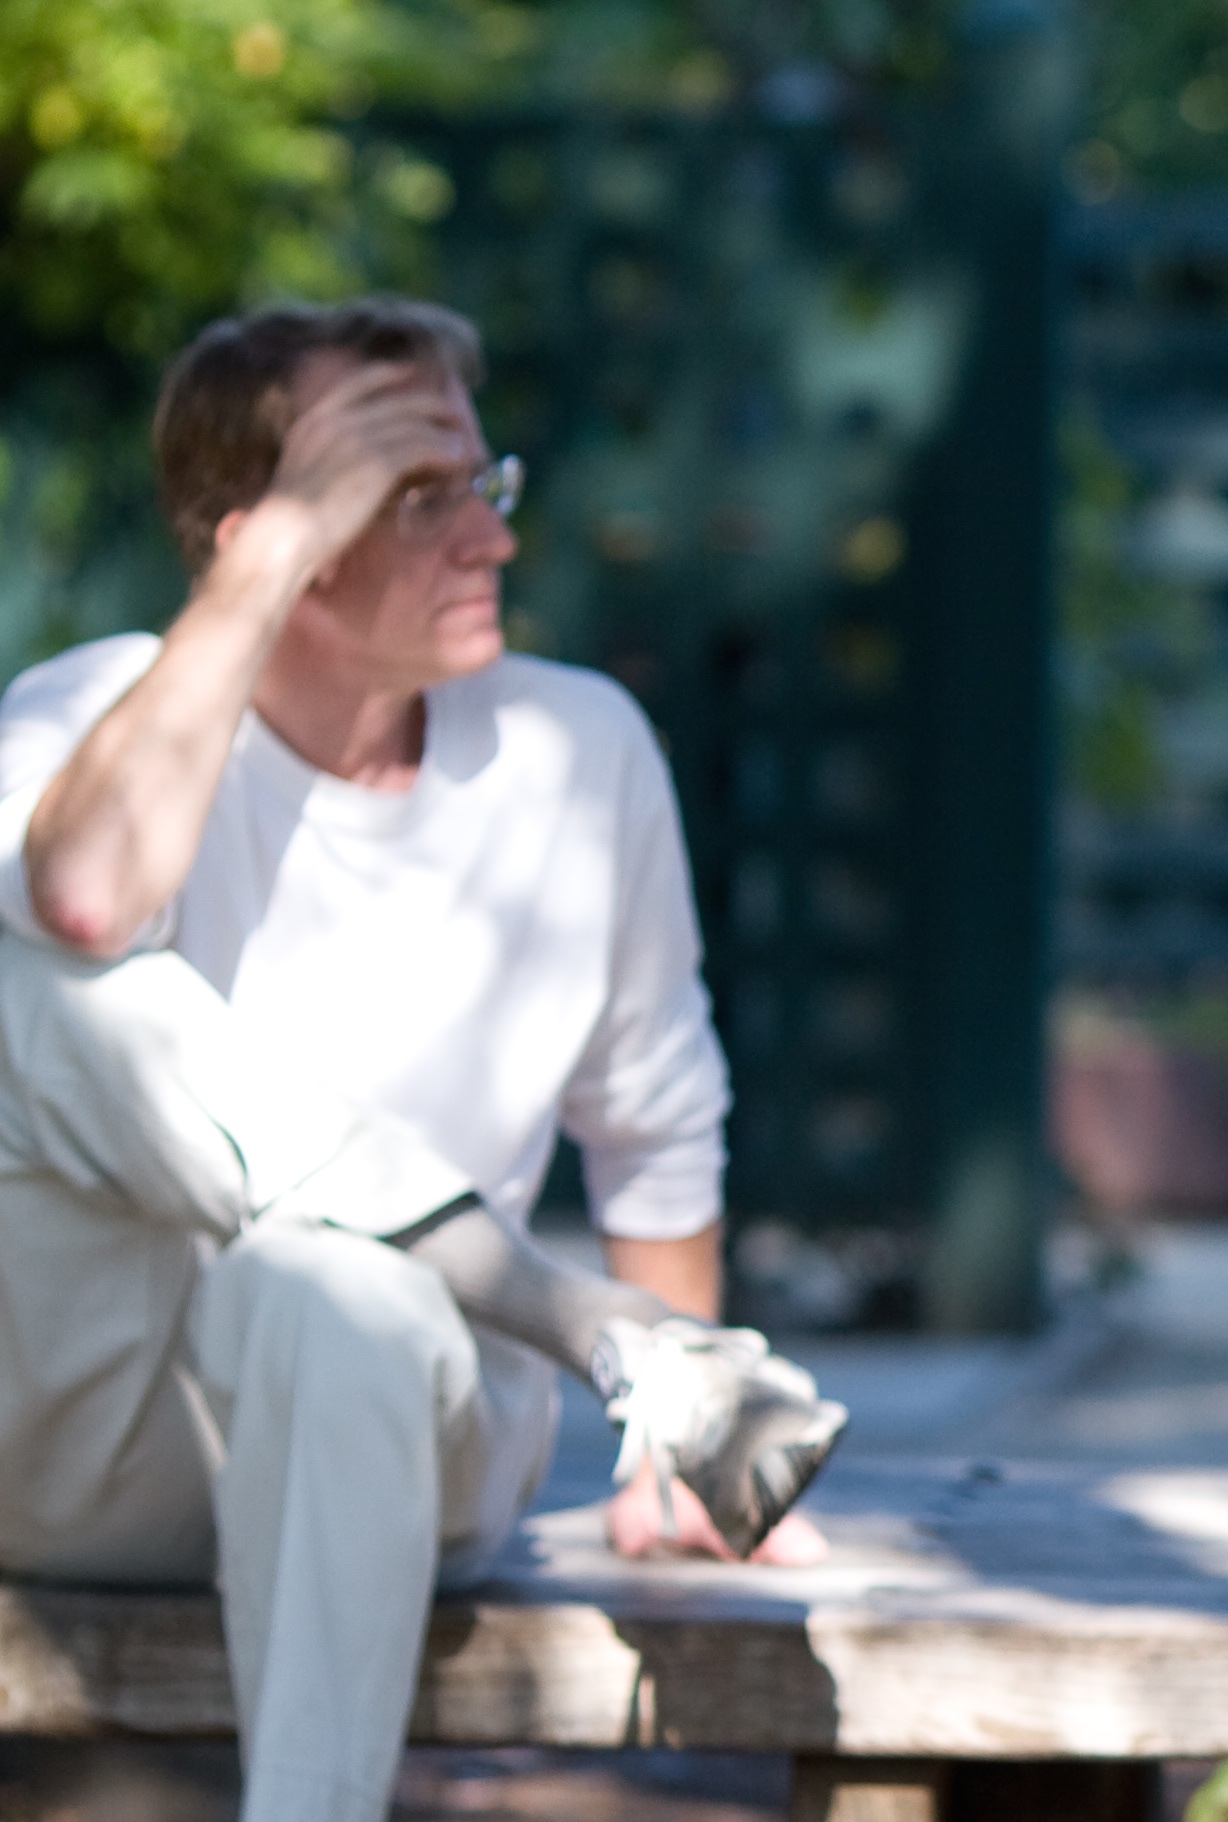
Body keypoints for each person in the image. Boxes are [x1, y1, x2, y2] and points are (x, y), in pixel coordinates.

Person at [0, 298, 847, 1822]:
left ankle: (647, 1375)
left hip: (409, 1429)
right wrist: (267, 559)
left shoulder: (580, 753)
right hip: (86, 1451)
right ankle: (601, 1331)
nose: (490, 540)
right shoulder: (82, 710)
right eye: (416, 496)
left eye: (484, 482)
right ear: (258, 532)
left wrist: (669, 1480)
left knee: (334, 1288)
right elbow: (82, 901)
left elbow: (658, 1118)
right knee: (32, 987)